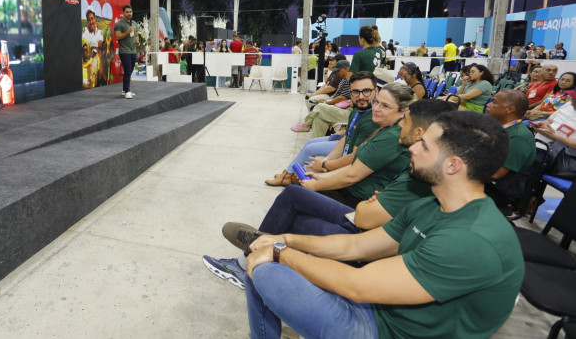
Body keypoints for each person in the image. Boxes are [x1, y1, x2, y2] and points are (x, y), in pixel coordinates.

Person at [243, 111, 522, 339]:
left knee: (265, 267)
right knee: (265, 255)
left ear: (453, 165)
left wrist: (280, 252)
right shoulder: (430, 205)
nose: (413, 147)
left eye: (424, 145)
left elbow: (357, 286)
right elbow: (356, 245)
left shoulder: (471, 240)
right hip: (382, 311)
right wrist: (286, 240)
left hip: (387, 330)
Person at [202, 100, 455, 290]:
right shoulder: (384, 134)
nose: (376, 106)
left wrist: (321, 177)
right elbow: (348, 153)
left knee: (294, 197)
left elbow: (355, 183)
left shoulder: (414, 164)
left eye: (403, 117)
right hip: (369, 216)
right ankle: (263, 258)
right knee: (297, 213)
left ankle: (252, 261)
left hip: (363, 220)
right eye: (374, 100)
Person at [296, 82, 415, 207]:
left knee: (294, 193)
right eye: (376, 102)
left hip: (360, 198)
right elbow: (356, 166)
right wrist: (323, 177)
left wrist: (317, 184)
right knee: (297, 190)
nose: (376, 108)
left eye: (385, 106)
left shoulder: (391, 136)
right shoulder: (383, 128)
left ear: (403, 112)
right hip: (352, 189)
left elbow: (352, 176)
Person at [273, 71, 378, 185]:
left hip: (349, 161)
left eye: (366, 91)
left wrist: (324, 165)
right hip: (344, 140)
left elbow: (354, 158)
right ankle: (292, 174)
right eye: (356, 92)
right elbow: (347, 137)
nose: (361, 96)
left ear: (376, 91)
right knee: (312, 137)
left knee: (318, 113)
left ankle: (289, 174)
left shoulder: (374, 119)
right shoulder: (357, 111)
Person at [484, 90, 537, 211]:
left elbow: (495, 174)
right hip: (486, 179)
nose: (488, 104)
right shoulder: (500, 127)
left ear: (509, 109)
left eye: (494, 102)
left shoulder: (518, 137)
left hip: (498, 190)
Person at [289, 60, 353, 139]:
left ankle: (307, 124)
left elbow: (342, 97)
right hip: (338, 104)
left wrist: (326, 102)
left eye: (339, 70)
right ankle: (314, 144)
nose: (338, 73)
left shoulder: (351, 81)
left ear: (346, 68)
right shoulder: (343, 79)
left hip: (345, 110)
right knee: (319, 117)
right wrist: (326, 99)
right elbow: (331, 89)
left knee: (319, 107)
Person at [114, 5, 139, 98]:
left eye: (130, 12)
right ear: (123, 13)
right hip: (124, 51)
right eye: (127, 12)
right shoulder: (119, 24)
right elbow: (117, 37)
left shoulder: (135, 23)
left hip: (133, 50)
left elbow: (136, 34)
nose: (129, 13)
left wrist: (137, 41)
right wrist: (127, 32)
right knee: (128, 70)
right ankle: (127, 90)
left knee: (130, 70)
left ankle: (124, 90)